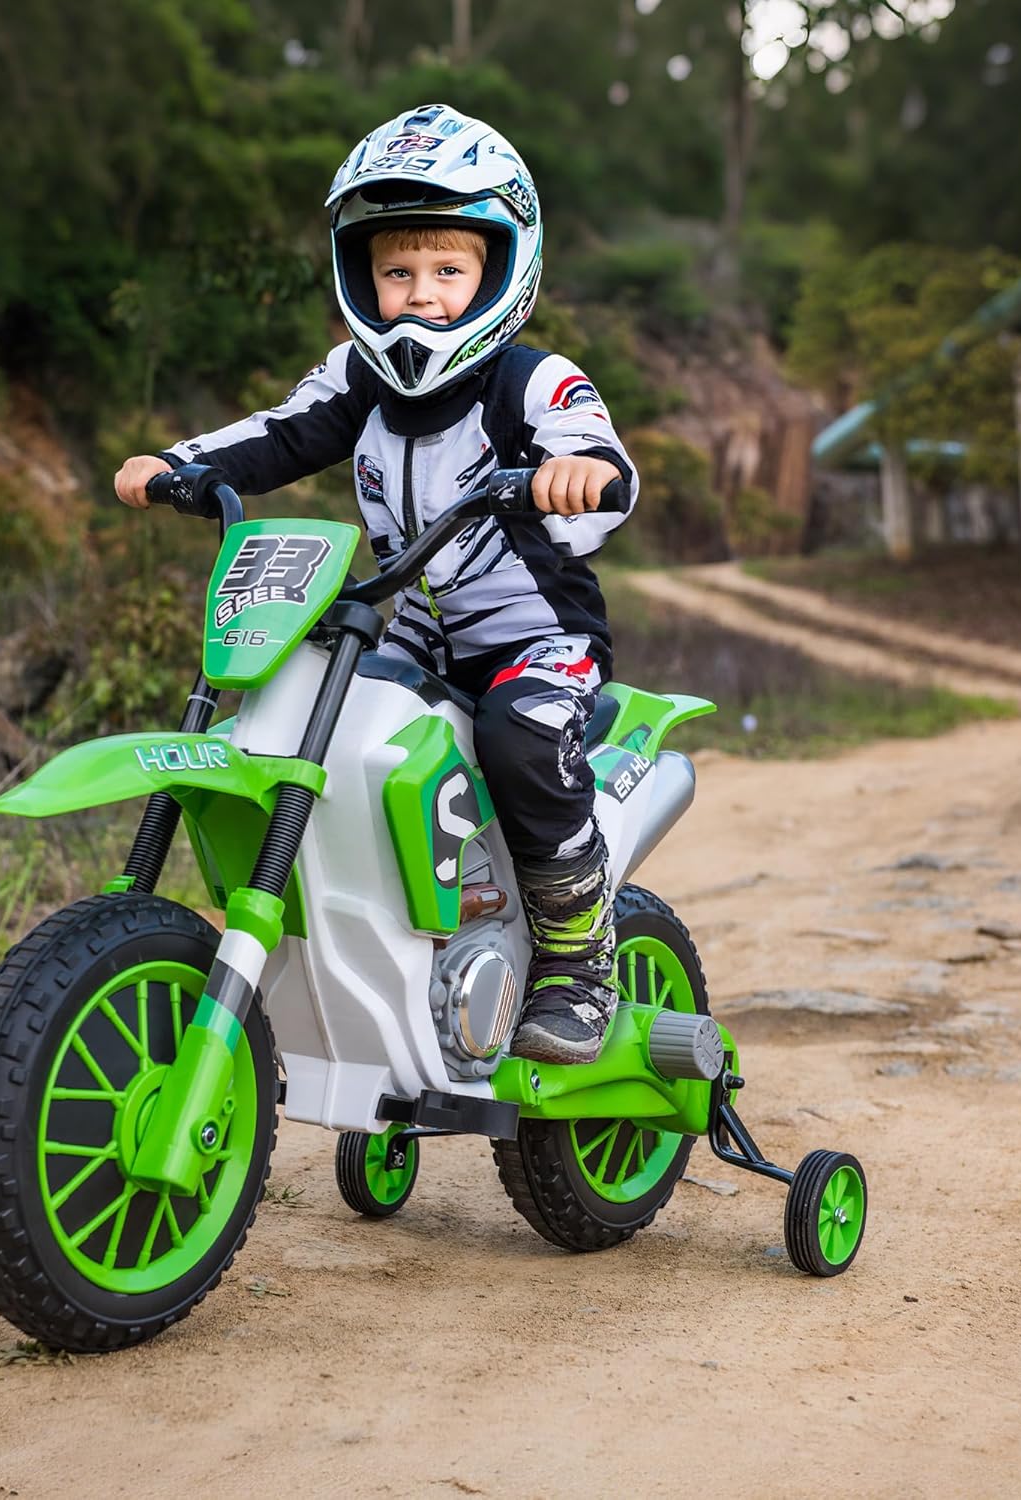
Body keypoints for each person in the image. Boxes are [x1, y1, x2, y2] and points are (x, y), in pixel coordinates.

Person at [114, 104, 639, 1066]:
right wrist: (179, 463)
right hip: (421, 632)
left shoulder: (531, 381)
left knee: (520, 738)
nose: (420, 296)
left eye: (448, 270)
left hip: (536, 638)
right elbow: (280, 433)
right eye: (396, 272)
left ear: (499, 268)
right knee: (313, 720)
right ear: (363, 276)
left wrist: (576, 479)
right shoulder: (359, 379)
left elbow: (596, 459)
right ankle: (366, 943)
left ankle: (576, 958)